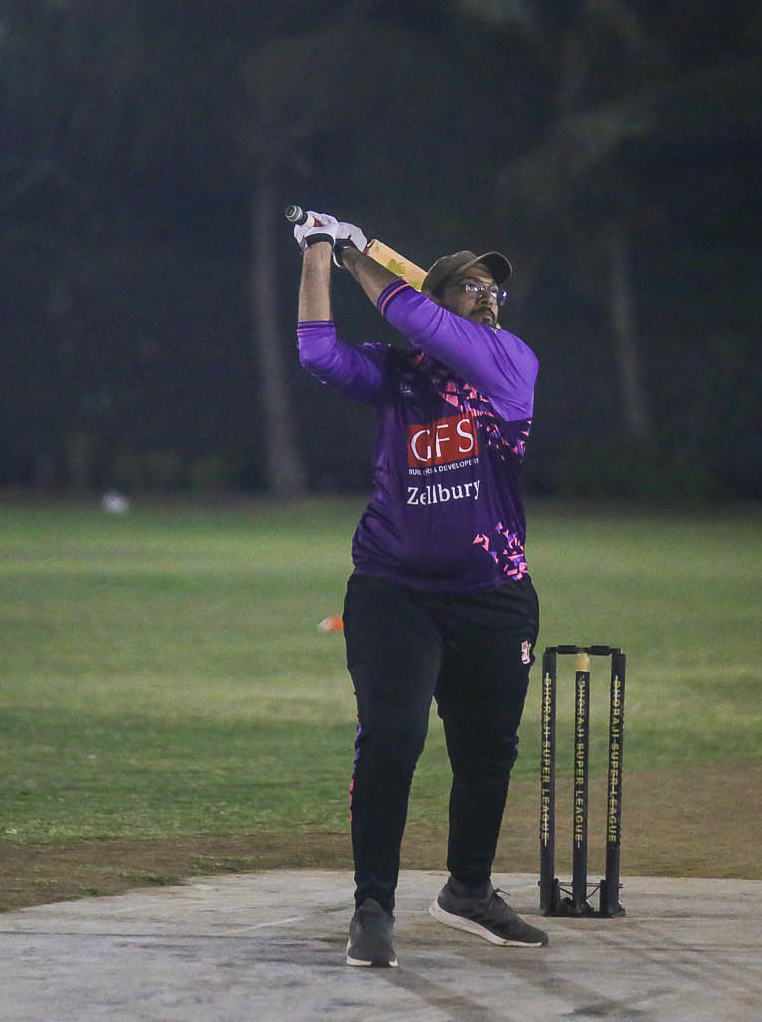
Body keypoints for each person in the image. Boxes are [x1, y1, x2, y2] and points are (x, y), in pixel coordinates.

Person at [290, 210, 547, 968]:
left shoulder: (511, 362)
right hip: (393, 589)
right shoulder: (399, 374)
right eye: (470, 286)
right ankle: (372, 907)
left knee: (487, 751)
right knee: (393, 738)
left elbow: (414, 314)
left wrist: (357, 252)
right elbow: (317, 352)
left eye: (494, 288)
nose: (488, 296)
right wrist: (317, 249)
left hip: (493, 592)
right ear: (438, 297)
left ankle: (469, 890)